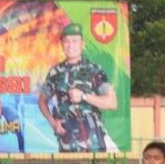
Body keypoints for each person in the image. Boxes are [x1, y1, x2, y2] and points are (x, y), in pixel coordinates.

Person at [39, 23, 118, 152]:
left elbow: (112, 102)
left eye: (75, 41)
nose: (70, 46)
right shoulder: (55, 72)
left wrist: (83, 96)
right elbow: (42, 100)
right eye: (66, 41)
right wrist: (53, 123)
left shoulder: (94, 70)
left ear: (82, 44)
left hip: (92, 140)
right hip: (67, 139)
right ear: (62, 44)